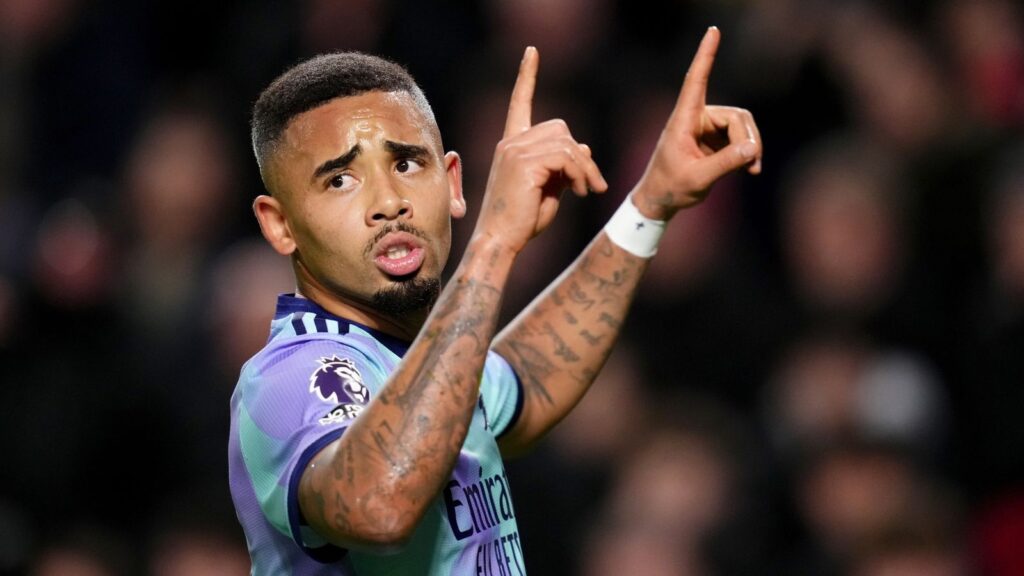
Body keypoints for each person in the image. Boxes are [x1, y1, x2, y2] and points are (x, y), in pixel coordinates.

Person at [228, 27, 762, 575]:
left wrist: (651, 202)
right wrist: (492, 242)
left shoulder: (419, 360)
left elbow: (530, 376)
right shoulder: (289, 377)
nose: (388, 202)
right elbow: (377, 505)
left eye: (407, 164)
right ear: (280, 224)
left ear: (453, 182)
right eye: (340, 179)